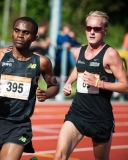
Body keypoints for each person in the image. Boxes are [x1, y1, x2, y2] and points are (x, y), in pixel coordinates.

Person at [0, 16, 59, 160]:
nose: (20, 35)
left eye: (26, 33)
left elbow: (54, 86)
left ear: (35, 37)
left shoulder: (42, 62)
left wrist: (46, 94)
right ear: (12, 32)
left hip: (20, 125)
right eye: (17, 30)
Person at [54, 11, 128, 160]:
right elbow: (78, 68)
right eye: (89, 28)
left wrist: (99, 83)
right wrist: (68, 83)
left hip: (100, 117)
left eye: (97, 29)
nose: (92, 32)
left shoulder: (111, 55)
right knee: (59, 155)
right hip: (77, 113)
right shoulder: (78, 51)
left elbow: (125, 86)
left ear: (105, 30)